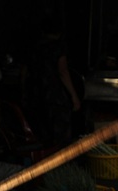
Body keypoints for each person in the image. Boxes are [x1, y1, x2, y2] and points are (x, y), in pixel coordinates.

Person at [21, 16, 82, 148]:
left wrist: (23, 91)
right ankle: (61, 165)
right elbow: (63, 71)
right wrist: (74, 96)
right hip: (55, 96)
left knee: (43, 136)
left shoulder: (33, 46)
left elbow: (24, 71)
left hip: (36, 95)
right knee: (61, 137)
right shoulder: (58, 47)